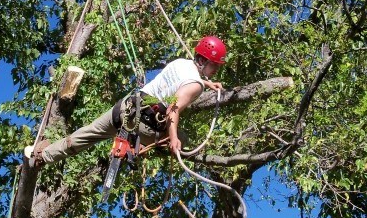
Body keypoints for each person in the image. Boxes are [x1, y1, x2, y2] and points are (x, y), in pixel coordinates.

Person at [26, 35, 227, 168]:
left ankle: (43, 156)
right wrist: (174, 140)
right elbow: (173, 109)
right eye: (214, 66)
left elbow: (185, 82)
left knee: (89, 132)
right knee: (185, 139)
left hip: (127, 107)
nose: (216, 70)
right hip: (145, 125)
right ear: (204, 61)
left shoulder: (181, 63)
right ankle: (140, 145)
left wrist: (208, 83)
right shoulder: (195, 85)